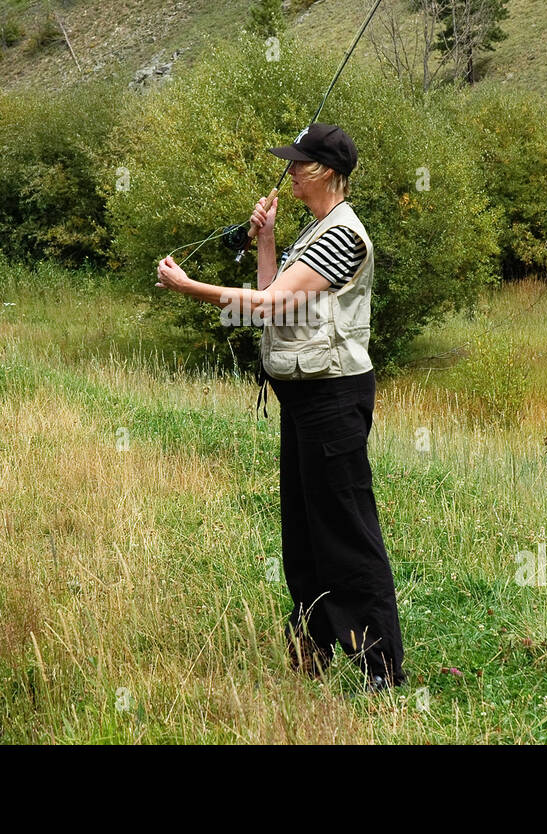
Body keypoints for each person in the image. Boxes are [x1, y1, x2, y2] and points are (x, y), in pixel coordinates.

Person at [155, 123, 406, 692]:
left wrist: (191, 287)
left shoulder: (343, 235)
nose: (290, 170)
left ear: (326, 172)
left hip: (333, 398)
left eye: (299, 162)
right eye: (291, 161)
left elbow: (266, 301)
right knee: (304, 533)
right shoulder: (316, 230)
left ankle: (380, 674)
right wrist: (266, 240)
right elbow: (273, 309)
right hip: (304, 398)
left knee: (346, 532)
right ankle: (313, 652)